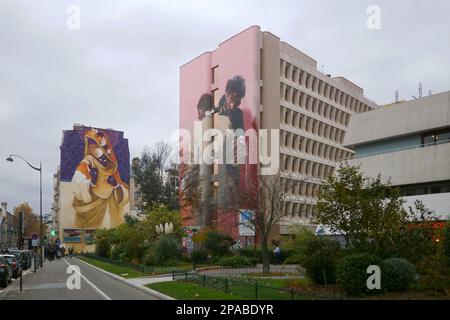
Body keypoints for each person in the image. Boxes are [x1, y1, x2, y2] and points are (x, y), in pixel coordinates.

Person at [71, 128, 129, 229]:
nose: (93, 149)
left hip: (108, 208)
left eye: (96, 146)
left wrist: (116, 185)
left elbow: (125, 196)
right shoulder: (88, 163)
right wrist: (92, 182)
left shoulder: (112, 167)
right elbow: (76, 184)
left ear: (104, 148)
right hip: (90, 210)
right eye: (91, 146)